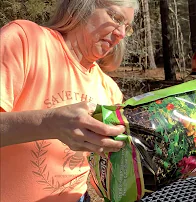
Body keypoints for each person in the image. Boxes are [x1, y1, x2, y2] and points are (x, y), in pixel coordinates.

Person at [0, 0, 139, 201]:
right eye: (115, 18)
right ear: (83, 6)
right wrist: (48, 124)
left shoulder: (110, 90)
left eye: (127, 27)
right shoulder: (25, 40)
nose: (121, 34)